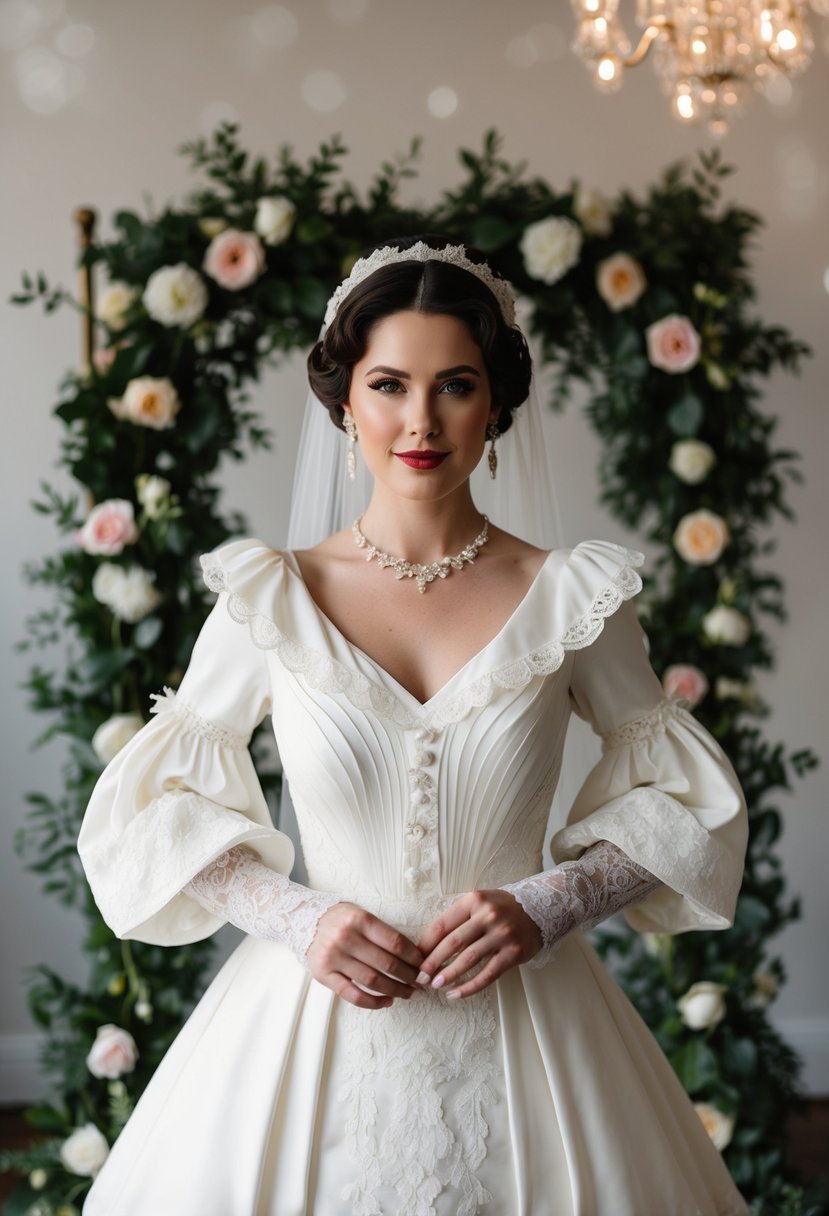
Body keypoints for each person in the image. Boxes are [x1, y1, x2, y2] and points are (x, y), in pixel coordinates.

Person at [77, 235, 751, 1215]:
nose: (419, 420)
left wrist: (552, 901)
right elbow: (151, 818)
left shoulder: (571, 596)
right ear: (343, 399)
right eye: (388, 383)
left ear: (496, 404)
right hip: (306, 1028)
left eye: (456, 385)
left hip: (532, 1034)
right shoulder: (270, 596)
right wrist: (297, 916)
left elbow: (684, 803)